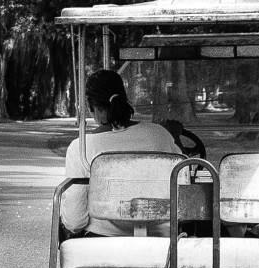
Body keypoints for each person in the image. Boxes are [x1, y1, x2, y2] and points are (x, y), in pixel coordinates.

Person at [60, 69, 181, 238]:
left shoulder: (81, 147)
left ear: (91, 106)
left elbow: (75, 221)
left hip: (103, 239)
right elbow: (184, 180)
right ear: (124, 98)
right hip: (160, 236)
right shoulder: (159, 134)